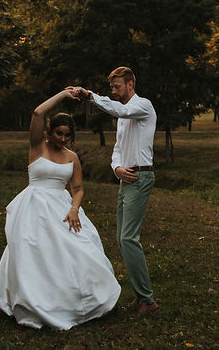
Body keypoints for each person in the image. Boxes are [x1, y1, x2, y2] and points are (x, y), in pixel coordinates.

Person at [0, 89, 120, 330]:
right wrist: (63, 94)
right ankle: (33, 301)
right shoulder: (37, 146)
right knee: (33, 252)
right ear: (50, 131)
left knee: (77, 251)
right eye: (59, 133)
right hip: (34, 205)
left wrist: (74, 208)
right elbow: (39, 111)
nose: (62, 139)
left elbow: (78, 188)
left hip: (62, 207)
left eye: (67, 136)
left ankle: (74, 300)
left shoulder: (72, 157)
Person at [72, 66, 159, 316]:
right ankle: (143, 296)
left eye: (117, 86)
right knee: (123, 239)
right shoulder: (123, 115)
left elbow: (119, 108)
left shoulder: (142, 105)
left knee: (128, 238)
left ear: (130, 84)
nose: (114, 91)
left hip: (141, 176)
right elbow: (118, 149)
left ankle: (148, 300)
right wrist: (117, 168)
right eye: (111, 87)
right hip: (126, 176)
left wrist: (91, 95)